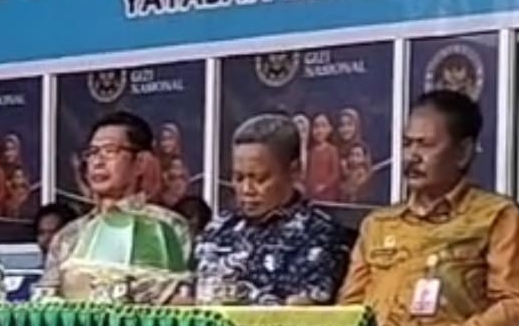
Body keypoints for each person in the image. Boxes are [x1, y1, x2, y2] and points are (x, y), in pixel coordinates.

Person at [339, 90, 519, 326]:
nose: (412, 156)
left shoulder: (496, 216)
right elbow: (349, 307)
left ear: (463, 152)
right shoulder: (378, 224)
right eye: (408, 144)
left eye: (425, 145)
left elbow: (513, 307)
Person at [195, 114, 349, 305]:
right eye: (239, 178)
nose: (246, 189)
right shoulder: (218, 228)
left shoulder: (320, 234)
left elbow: (303, 307)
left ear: (294, 171)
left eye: (260, 179)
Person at [39, 111, 191, 303]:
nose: (97, 162)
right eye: (92, 153)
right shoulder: (70, 235)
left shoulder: (168, 227)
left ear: (140, 163)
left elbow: (178, 297)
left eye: (110, 151)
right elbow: (46, 298)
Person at [305, 112, 341, 202]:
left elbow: (335, 174)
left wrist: (324, 186)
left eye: (323, 126)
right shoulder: (310, 151)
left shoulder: (332, 150)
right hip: (311, 195)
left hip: (328, 196)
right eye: (316, 126)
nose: (319, 130)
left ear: (330, 129)